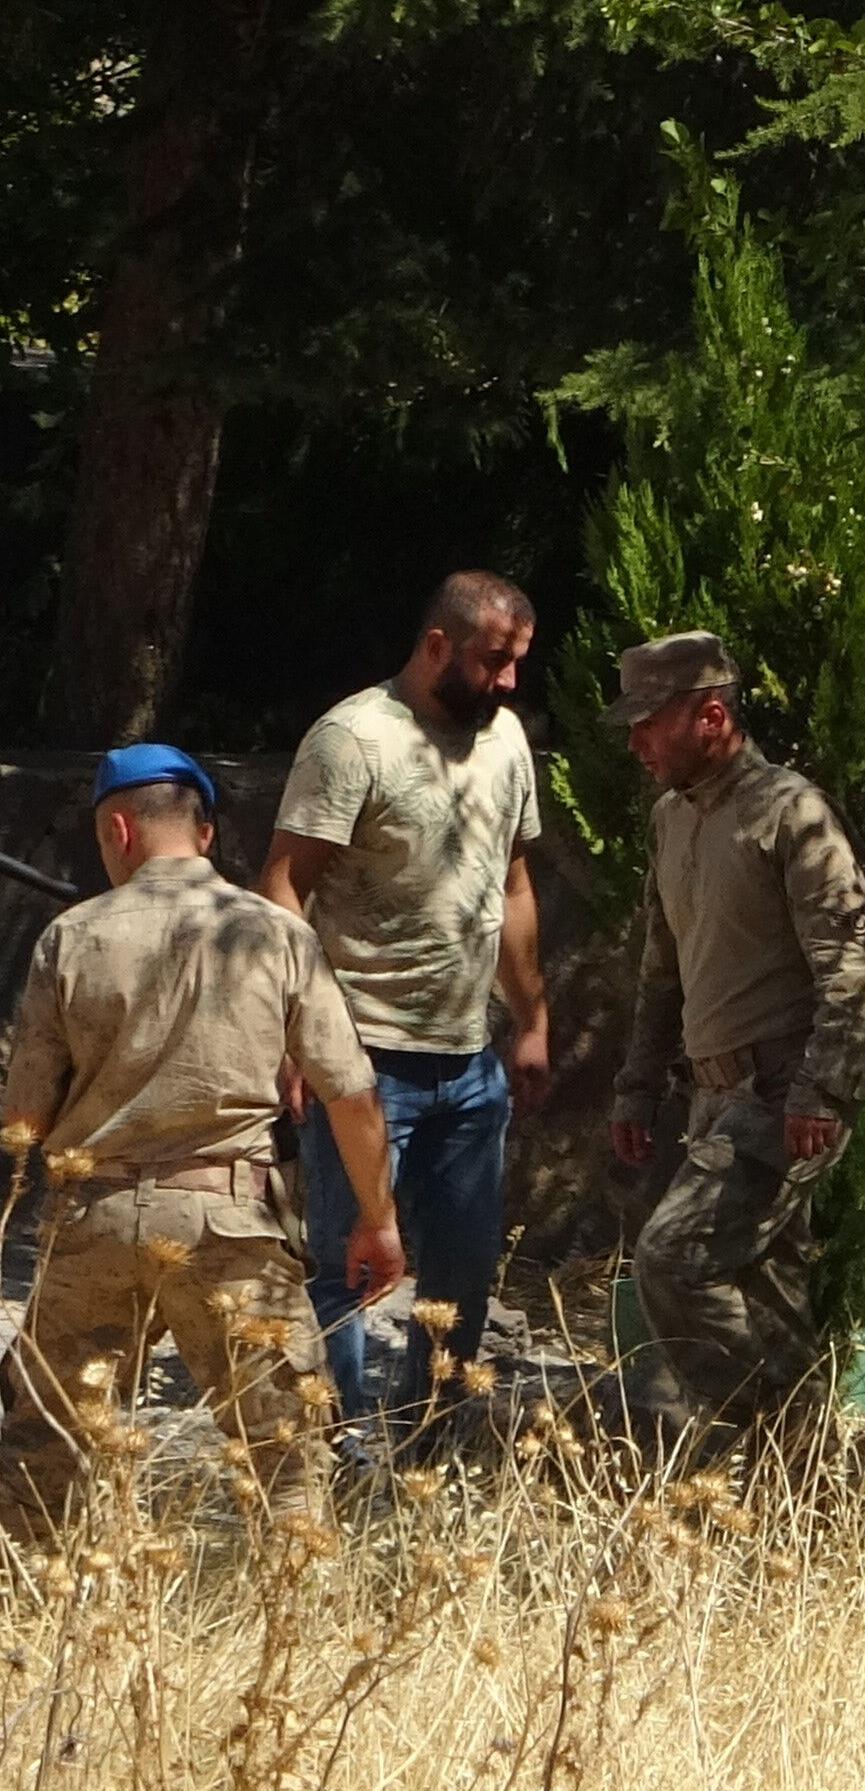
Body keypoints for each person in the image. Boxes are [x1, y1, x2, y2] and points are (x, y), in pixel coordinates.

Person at [0, 747, 410, 1541]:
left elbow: (26, 1119)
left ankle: (38, 1627)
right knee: (285, 1454)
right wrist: (377, 1217)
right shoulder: (276, 936)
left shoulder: (70, 936)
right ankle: (295, 1630)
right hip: (230, 1224)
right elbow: (349, 1093)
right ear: (208, 832)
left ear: (117, 828)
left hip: (95, 1221)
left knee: (42, 1448)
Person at [262, 570, 550, 1452]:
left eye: (517, 665)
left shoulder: (505, 741)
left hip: (467, 1064)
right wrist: (287, 1033)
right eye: (495, 662)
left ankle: (431, 1437)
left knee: (462, 1275)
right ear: (436, 645)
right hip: (359, 1060)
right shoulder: (351, 740)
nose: (508, 683)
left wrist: (532, 1018)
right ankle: (339, 1447)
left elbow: (512, 882)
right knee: (348, 1266)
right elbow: (283, 884)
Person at [599, 633, 865, 1458]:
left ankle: (783, 1438)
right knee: (773, 1304)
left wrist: (819, 1094)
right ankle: (808, 1494)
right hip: (713, 1100)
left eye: (649, 722)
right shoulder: (670, 819)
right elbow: (661, 968)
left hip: (778, 1098)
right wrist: (637, 1087)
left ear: (711, 715)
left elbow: (853, 970)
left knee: (672, 1258)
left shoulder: (791, 813)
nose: (635, 743)